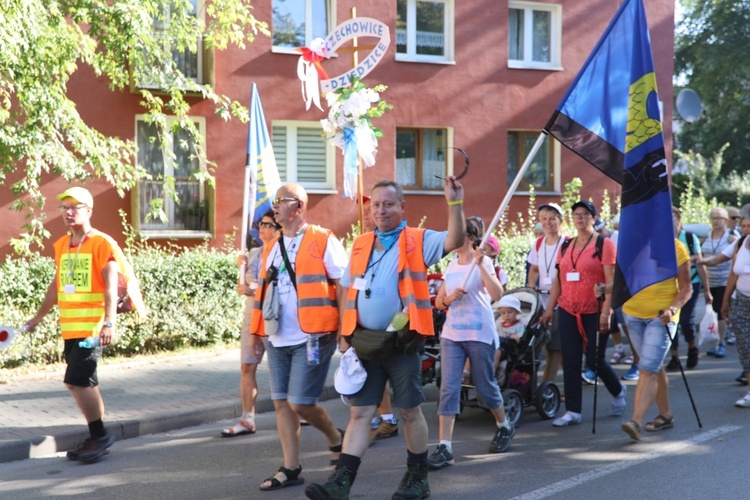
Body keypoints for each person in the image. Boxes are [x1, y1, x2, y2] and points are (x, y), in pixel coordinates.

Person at [305, 178, 465, 500]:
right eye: (376, 204)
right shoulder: (362, 243)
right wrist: (344, 333)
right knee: (361, 413)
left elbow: (455, 239)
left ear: (402, 207)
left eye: (388, 204)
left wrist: (454, 203)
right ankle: (341, 483)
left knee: (408, 411)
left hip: (401, 342)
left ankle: (417, 480)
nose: (381, 210)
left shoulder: (416, 240)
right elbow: (349, 289)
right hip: (364, 342)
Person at [25, 186, 144, 463]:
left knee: (77, 379)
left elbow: (111, 284)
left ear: (88, 211)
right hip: (71, 327)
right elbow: (57, 285)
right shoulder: (62, 245)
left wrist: (109, 324)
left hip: (92, 327)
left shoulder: (101, 242)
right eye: (64, 208)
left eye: (75, 207)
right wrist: (38, 316)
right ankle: (97, 434)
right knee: (82, 383)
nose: (68, 212)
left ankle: (100, 435)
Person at [249, 184, 348, 492]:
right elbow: (263, 293)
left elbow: (343, 287)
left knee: (300, 402)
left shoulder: (324, 239)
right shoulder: (272, 245)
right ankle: (291, 467)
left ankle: (336, 437)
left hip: (313, 335)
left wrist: (346, 330)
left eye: (281, 201)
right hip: (277, 337)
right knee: (281, 402)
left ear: (299, 207)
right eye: (275, 201)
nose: (274, 206)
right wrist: (256, 332)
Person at [426, 216, 511, 470]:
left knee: (484, 386)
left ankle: (504, 425)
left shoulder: (482, 262)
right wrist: (449, 297)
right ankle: (445, 446)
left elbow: (498, 295)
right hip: (452, 334)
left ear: (470, 239)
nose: (451, 238)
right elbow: (440, 301)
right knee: (448, 388)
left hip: (479, 333)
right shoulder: (451, 265)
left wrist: (482, 264)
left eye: (457, 234)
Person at [538, 200, 627, 427]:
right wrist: (550, 309)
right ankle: (573, 411)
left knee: (595, 359)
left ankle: (618, 390)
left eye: (585, 214)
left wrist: (606, 313)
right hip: (568, 308)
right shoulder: (566, 245)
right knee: (571, 360)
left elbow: (611, 281)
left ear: (593, 218)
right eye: (576, 214)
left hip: (595, 310)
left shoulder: (603, 244)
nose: (580, 218)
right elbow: (559, 279)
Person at [619, 227, 692, 440]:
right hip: (632, 314)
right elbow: (626, 281)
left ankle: (636, 421)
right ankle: (666, 415)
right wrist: (606, 288)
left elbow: (686, 288)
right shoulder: (634, 247)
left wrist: (673, 309)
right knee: (654, 364)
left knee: (647, 368)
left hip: (660, 317)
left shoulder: (677, 249)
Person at [221, 211, 281, 437]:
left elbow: (279, 286)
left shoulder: (283, 253)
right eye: (260, 224)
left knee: (279, 370)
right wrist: (241, 267)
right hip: (251, 318)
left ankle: (295, 412)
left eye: (267, 224)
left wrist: (252, 291)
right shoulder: (253, 253)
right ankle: (247, 419)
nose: (261, 228)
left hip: (274, 318)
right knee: (247, 366)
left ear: (278, 229)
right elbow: (244, 285)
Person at [665, 207, 710, 371]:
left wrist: (707, 290)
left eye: (673, 218)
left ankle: (692, 347)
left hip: (691, 283)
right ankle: (674, 356)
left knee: (685, 321)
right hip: (669, 286)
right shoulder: (661, 239)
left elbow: (699, 262)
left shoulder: (689, 238)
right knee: (671, 320)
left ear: (678, 220)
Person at [527, 202, 565, 384]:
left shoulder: (567, 243)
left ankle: (547, 386)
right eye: (544, 219)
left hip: (561, 301)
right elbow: (534, 269)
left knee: (554, 347)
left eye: (552, 219)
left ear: (560, 220)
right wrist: (531, 285)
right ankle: (532, 384)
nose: (548, 223)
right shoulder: (539, 242)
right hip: (541, 301)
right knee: (534, 344)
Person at [721, 214, 750, 407]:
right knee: (744, 345)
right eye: (744, 226)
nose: (747, 229)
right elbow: (733, 273)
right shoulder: (740, 243)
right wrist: (725, 302)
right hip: (741, 300)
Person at [700, 207, 737, 358]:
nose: (715, 221)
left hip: (724, 280)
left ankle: (721, 343)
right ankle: (716, 342)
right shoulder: (706, 236)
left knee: (721, 312)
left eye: (719, 218)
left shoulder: (730, 237)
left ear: (726, 220)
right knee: (714, 313)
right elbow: (701, 252)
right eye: (713, 218)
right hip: (709, 281)